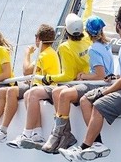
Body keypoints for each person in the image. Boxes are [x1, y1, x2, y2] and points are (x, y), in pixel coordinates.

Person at [58, 4, 121, 162]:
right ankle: (97, 143)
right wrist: (115, 78)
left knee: (98, 104)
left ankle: (83, 148)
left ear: (119, 25)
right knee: (86, 99)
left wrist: (106, 91)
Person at [4, 13, 91, 149]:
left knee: (32, 93)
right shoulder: (86, 38)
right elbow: (87, 15)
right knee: (30, 93)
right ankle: (37, 133)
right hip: (81, 81)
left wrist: (47, 76)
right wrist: (90, 0)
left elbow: (29, 71)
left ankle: (28, 133)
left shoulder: (61, 48)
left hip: (67, 84)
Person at [36, 14, 114, 152]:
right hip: (93, 81)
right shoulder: (100, 44)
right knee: (56, 92)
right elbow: (87, 13)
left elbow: (96, 75)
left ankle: (61, 134)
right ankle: (63, 134)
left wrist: (49, 79)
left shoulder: (91, 48)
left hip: (94, 83)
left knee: (63, 95)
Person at [0, 24, 60, 143]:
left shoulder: (45, 54)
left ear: (38, 38)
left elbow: (26, 71)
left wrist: (27, 54)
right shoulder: (47, 53)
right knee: (3, 91)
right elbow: (34, 71)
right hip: (37, 85)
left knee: (11, 91)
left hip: (41, 87)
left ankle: (4, 131)